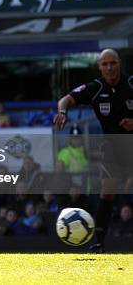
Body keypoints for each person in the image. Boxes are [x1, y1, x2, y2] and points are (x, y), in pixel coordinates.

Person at [54, 49, 132, 253]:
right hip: (112, 147)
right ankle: (99, 243)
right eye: (104, 64)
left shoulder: (132, 84)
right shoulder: (95, 88)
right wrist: (63, 112)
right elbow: (65, 99)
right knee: (107, 192)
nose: (109, 67)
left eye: (112, 63)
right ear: (99, 67)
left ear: (119, 63)